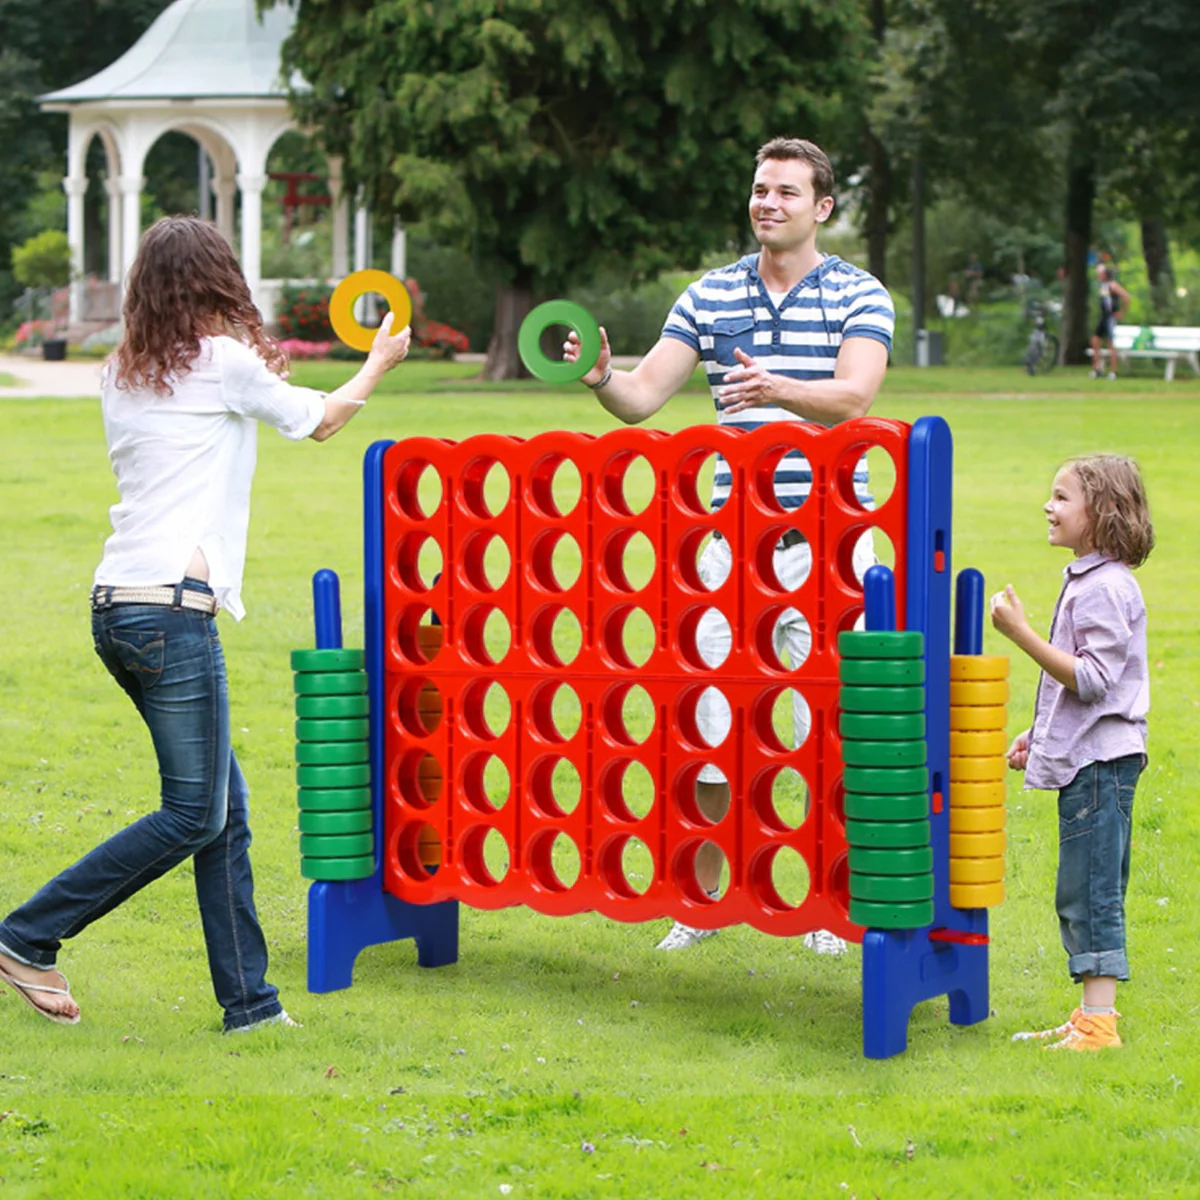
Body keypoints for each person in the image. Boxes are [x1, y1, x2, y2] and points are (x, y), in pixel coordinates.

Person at [0, 215, 411, 1030]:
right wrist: (376, 364)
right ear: (216, 279)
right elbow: (321, 420)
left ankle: (251, 1008)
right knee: (195, 813)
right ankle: (26, 935)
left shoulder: (121, 370)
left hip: (117, 607)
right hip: (172, 617)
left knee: (223, 812)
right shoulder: (220, 364)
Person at [564, 137, 894, 955]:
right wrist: (604, 377)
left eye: (786, 191)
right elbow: (643, 397)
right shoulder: (710, 297)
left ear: (821, 207)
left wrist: (776, 388)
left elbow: (854, 397)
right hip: (726, 543)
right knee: (712, 723)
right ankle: (705, 900)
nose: (767, 203)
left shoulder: (860, 294)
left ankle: (825, 899)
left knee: (831, 723)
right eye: (758, 189)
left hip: (826, 538)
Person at [990, 454, 1154, 1051]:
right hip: (1088, 757)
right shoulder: (1089, 579)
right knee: (1081, 887)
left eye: (1061, 497)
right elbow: (1083, 690)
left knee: (1092, 890)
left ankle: (1099, 1025)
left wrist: (1021, 635)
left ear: (1100, 513)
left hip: (1102, 765)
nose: (1047, 506)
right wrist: (1041, 735)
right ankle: (1089, 1014)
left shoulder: (1106, 587)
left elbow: (1093, 681)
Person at [1089, 263, 1131, 380]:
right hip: (1102, 317)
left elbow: (1126, 297)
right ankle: (1096, 368)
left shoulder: (1112, 285)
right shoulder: (1102, 286)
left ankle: (1113, 371)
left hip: (1110, 317)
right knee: (1095, 341)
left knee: (1110, 344)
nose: (1099, 275)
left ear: (1106, 275)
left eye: (1101, 274)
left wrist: (1121, 312)